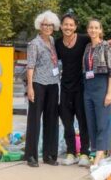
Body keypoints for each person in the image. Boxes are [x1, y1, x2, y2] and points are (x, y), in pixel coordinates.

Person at [24, 10, 61, 167]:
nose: (47, 27)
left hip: (53, 84)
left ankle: (49, 155)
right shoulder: (34, 44)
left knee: (51, 120)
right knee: (34, 120)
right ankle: (31, 155)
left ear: (54, 27)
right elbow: (30, 66)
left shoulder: (52, 41)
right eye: (44, 24)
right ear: (40, 26)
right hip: (38, 84)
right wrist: (30, 87)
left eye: (50, 25)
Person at [55, 13, 92, 168]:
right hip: (64, 87)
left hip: (81, 87)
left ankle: (84, 153)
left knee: (83, 122)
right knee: (67, 122)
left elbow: (97, 40)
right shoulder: (57, 43)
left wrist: (109, 42)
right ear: (61, 26)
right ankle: (71, 153)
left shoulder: (84, 39)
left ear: (75, 27)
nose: (68, 27)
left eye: (71, 25)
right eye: (65, 24)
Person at [82, 19, 111, 167]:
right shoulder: (87, 47)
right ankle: (97, 151)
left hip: (102, 85)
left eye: (96, 28)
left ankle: (99, 154)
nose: (93, 30)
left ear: (100, 30)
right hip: (88, 86)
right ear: (88, 30)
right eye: (91, 28)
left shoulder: (106, 46)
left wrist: (109, 93)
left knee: (103, 122)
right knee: (92, 122)